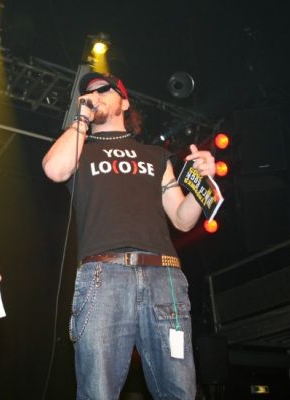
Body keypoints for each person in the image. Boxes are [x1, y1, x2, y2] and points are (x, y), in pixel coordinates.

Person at [42, 72, 216, 399]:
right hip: (103, 275)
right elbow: (54, 169)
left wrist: (202, 183)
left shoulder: (155, 155)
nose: (94, 95)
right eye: (89, 92)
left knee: (179, 390)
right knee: (98, 391)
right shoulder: (79, 150)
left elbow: (182, 219)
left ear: (124, 102)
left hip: (163, 278)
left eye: (103, 90)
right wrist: (82, 118)